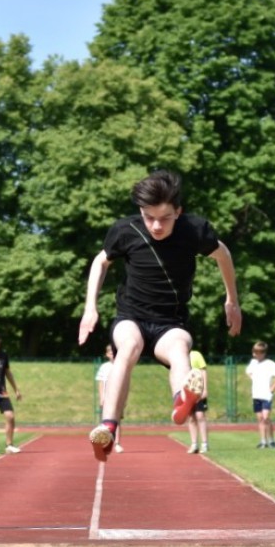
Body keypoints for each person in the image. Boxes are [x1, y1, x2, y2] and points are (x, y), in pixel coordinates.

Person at [78, 170, 242, 461]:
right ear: (140, 211)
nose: (155, 226)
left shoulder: (194, 230)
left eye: (165, 218)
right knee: (128, 348)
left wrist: (232, 299)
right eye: (148, 216)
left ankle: (181, 400)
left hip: (170, 323)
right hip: (131, 316)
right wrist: (90, 306)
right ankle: (108, 426)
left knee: (180, 348)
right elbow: (100, 261)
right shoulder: (126, 230)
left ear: (178, 211)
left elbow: (223, 254)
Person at [246, 341, 275, 449]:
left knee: (266, 417)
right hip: (256, 394)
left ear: (263, 353)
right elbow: (248, 372)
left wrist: (273, 387)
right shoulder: (253, 363)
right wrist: (254, 379)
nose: (255, 354)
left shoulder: (269, 364)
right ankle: (263, 441)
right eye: (254, 351)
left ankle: (271, 440)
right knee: (260, 418)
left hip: (266, 395)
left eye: (258, 352)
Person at [95, 344, 124, 453]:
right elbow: (101, 383)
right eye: (111, 353)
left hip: (118, 397)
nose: (113, 355)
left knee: (117, 421)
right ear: (107, 354)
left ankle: (117, 443)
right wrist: (102, 397)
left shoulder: (121, 366)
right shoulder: (104, 367)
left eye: (115, 352)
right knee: (104, 421)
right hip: (107, 398)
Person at [187, 349, 210, 454]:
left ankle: (205, 444)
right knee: (191, 418)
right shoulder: (178, 355)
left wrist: (204, 389)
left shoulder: (196, 355)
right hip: (187, 391)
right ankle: (194, 444)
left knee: (200, 415)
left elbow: (203, 371)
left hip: (198, 390)